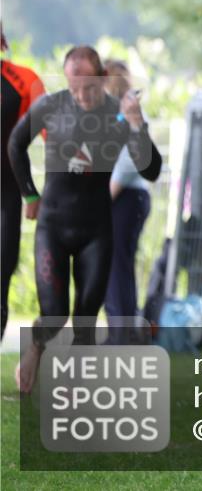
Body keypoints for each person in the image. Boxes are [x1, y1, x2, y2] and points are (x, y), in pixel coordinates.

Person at [9, 46, 162, 392]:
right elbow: (16, 145)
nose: (81, 96)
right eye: (74, 87)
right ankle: (36, 347)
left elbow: (151, 170)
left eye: (89, 87)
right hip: (53, 227)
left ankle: (76, 394)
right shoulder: (50, 106)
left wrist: (138, 125)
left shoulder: (119, 114)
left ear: (103, 78)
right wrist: (30, 194)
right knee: (54, 315)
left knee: (85, 322)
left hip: (96, 230)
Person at [102, 60, 152, 344]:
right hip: (125, 197)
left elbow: (128, 163)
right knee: (117, 264)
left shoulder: (130, 113)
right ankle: (124, 331)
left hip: (125, 197)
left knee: (116, 265)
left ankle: (121, 334)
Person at [1, 26, 45, 340]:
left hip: (6, 194)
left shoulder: (24, 80)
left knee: (1, 277)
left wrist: (31, 194)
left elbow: (52, 131)